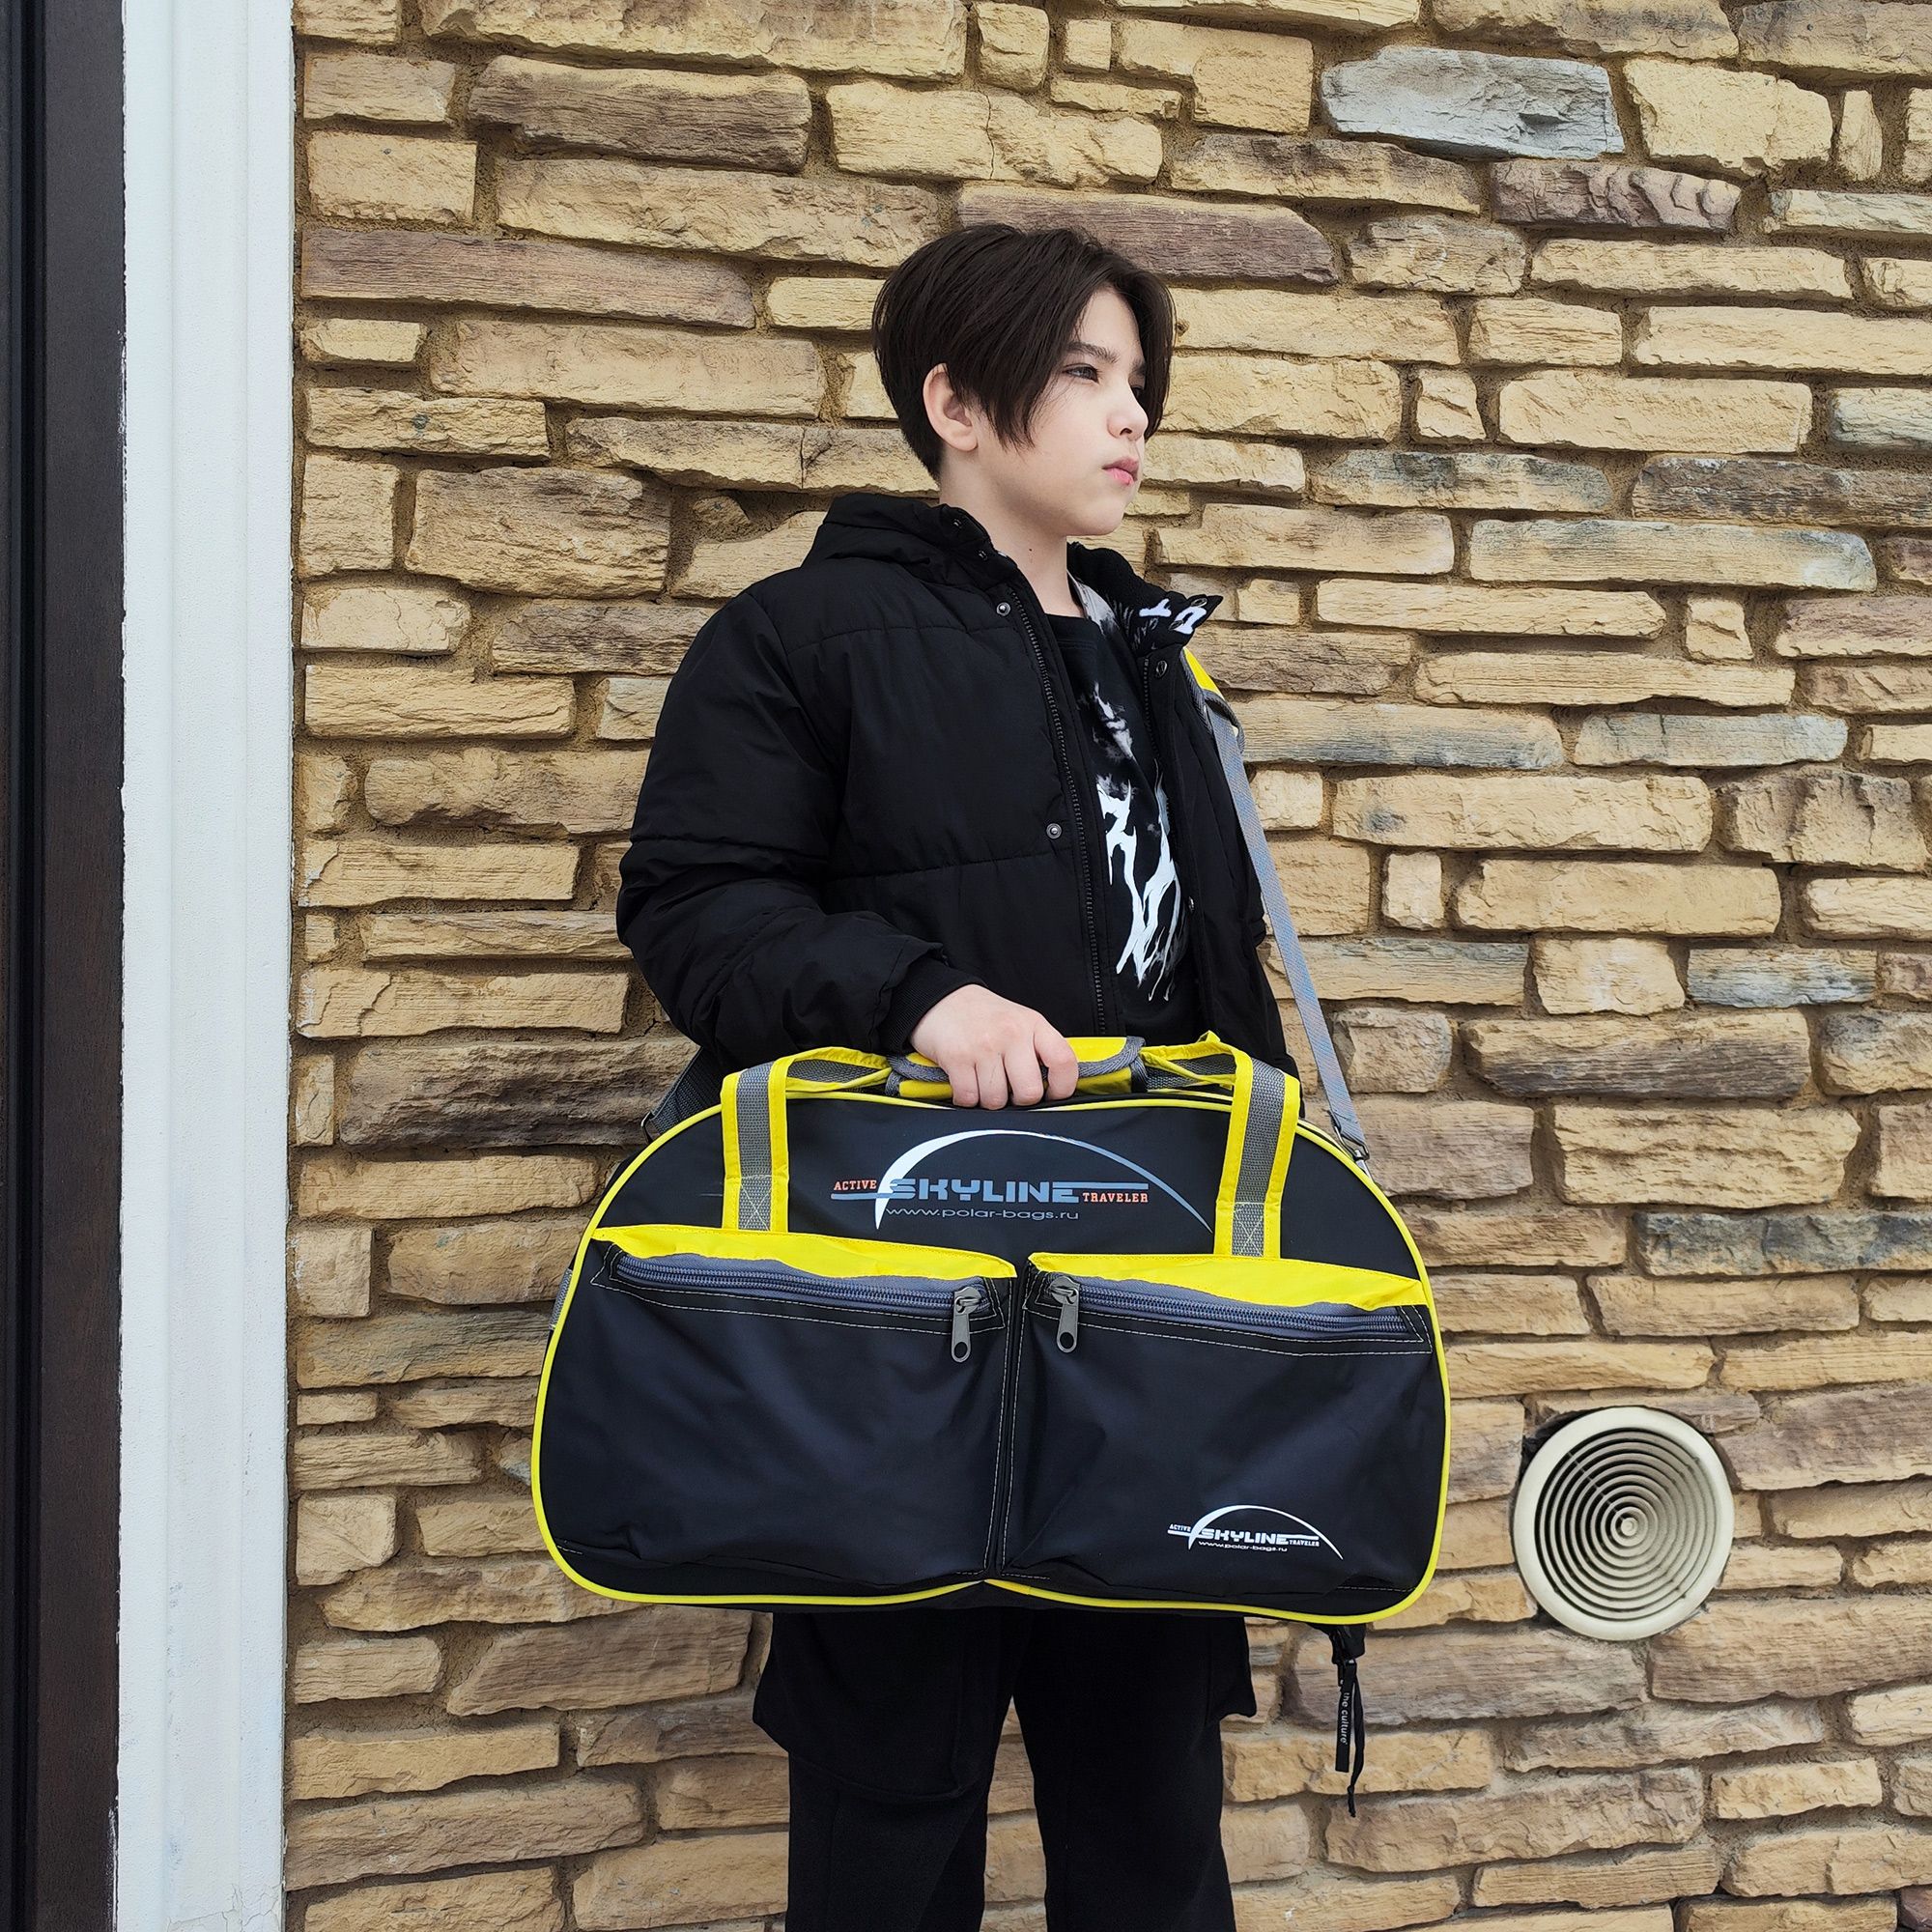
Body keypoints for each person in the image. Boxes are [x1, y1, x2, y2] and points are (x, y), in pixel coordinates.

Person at [614, 220, 1296, 1932]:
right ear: (956, 401)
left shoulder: (1159, 661)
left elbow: (1214, 977)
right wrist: (918, 998)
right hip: (893, 1330)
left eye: (1139, 381)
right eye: (1082, 374)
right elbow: (697, 910)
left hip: (1148, 1325)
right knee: (890, 1815)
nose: (1130, 416)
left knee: (1152, 1816)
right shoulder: (801, 635)